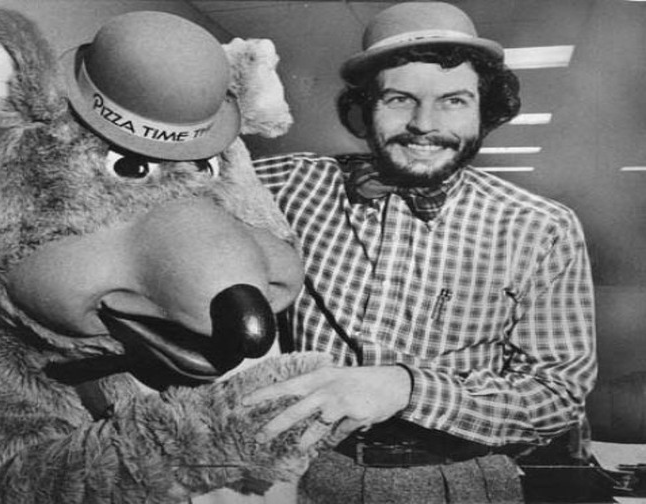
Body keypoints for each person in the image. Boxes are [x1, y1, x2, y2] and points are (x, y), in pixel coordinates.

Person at [247, 2, 597, 500]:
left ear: (485, 110)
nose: (424, 124)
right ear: (362, 110)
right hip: (299, 473)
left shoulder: (542, 228)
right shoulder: (286, 184)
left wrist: (406, 387)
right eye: (399, 99)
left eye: (453, 100)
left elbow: (556, 397)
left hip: (460, 481)